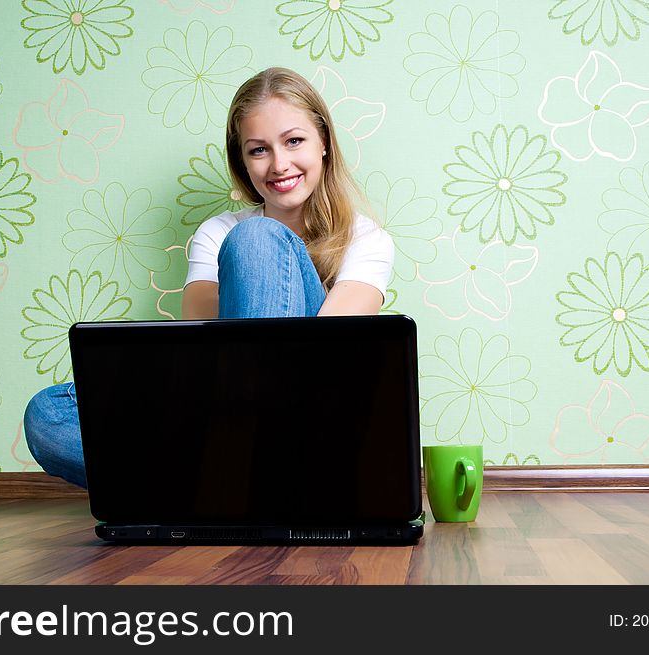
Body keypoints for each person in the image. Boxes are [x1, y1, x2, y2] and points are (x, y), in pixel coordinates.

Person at [23, 67, 394, 488]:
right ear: (242, 160)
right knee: (48, 413)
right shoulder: (216, 232)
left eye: (294, 141)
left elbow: (326, 357)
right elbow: (199, 348)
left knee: (257, 238)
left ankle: (215, 479)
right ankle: (230, 483)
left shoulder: (366, 239)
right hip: (220, 407)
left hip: (308, 417)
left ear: (323, 142)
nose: (279, 164)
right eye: (258, 150)